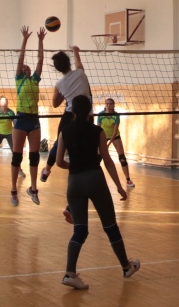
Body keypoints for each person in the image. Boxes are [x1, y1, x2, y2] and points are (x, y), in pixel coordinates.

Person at [55, 95, 140, 290]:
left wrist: (74, 166)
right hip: (95, 179)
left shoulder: (64, 132)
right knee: (110, 226)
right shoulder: (98, 131)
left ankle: (69, 274)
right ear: (90, 111)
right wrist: (119, 186)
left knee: (80, 230)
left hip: (74, 183)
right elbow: (107, 160)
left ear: (73, 111)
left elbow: (59, 162)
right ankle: (126, 267)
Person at [40, 45, 91, 184]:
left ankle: (47, 170)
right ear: (69, 63)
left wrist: (65, 93)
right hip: (87, 116)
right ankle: (86, 170)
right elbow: (78, 63)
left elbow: (55, 104)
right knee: (85, 145)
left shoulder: (59, 84)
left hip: (69, 116)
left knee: (59, 143)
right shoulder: (80, 73)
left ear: (57, 69)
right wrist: (75, 51)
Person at [10, 26, 46, 206]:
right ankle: (13, 191)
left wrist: (40, 40)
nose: (25, 66)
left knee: (34, 156)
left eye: (27, 66)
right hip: (21, 119)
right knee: (17, 156)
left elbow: (41, 59)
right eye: (23, 66)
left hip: (33, 119)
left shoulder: (35, 79)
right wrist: (24, 39)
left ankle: (33, 189)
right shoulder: (19, 79)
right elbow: (21, 57)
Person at [97, 98, 134, 189]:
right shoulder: (101, 115)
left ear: (113, 105)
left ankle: (128, 179)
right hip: (103, 135)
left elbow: (115, 131)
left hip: (115, 136)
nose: (108, 105)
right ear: (105, 105)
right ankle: (93, 178)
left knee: (122, 157)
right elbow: (98, 129)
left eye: (110, 104)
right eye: (107, 104)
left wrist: (108, 144)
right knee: (98, 156)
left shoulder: (116, 115)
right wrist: (100, 143)